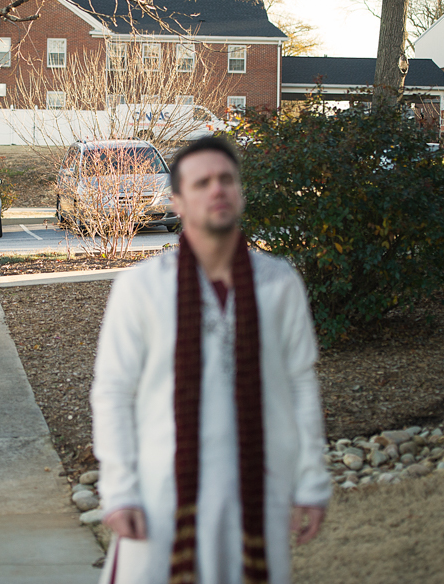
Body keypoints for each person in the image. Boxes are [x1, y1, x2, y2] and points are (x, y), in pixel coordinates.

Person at [90, 137, 331, 584]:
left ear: (240, 192)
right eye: (202, 182)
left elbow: (300, 384)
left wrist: (311, 482)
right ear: (177, 201)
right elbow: (113, 392)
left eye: (226, 180)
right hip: (162, 492)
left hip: (259, 490)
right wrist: (120, 490)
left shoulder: (278, 282)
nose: (217, 189)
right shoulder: (142, 287)